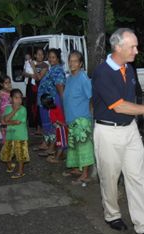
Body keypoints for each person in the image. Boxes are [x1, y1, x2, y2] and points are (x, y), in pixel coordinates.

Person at [92, 28, 144, 234]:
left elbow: (131, 100)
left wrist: (143, 115)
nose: (137, 50)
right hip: (108, 131)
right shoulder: (102, 72)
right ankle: (112, 214)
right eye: (133, 46)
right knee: (110, 178)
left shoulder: (130, 69)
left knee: (137, 177)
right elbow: (119, 106)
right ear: (118, 47)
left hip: (130, 130)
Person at [62, 51, 95, 184]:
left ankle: (85, 174)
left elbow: (91, 97)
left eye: (75, 61)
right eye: (70, 60)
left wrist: (90, 118)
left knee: (83, 147)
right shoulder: (69, 78)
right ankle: (77, 169)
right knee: (74, 146)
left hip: (82, 119)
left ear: (81, 64)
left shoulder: (83, 78)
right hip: (72, 119)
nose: (72, 63)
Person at [36, 48, 65, 157]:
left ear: (57, 58)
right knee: (48, 124)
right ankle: (48, 144)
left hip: (52, 102)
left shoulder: (57, 70)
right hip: (46, 102)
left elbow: (60, 86)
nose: (50, 59)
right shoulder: (52, 69)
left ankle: (52, 147)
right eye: (49, 57)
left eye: (53, 57)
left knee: (53, 124)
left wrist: (62, 102)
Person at [0, 89, 29, 179]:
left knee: (20, 155)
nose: (19, 100)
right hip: (10, 135)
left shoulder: (23, 109)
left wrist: (7, 121)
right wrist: (14, 111)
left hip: (20, 136)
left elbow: (17, 122)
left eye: (20, 98)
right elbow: (4, 121)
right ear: (11, 99)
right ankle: (10, 166)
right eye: (16, 98)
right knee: (6, 154)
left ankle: (20, 172)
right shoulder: (8, 108)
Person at [40, 93, 68, 164]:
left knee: (60, 144)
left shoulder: (51, 111)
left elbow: (57, 121)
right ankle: (58, 156)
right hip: (60, 129)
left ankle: (57, 158)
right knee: (59, 143)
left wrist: (65, 125)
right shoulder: (56, 107)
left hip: (61, 129)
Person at [26, 48, 49, 136]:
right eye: (38, 54)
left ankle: (40, 128)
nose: (40, 56)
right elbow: (24, 73)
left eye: (42, 54)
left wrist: (33, 67)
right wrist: (30, 74)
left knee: (40, 107)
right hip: (31, 88)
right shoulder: (31, 63)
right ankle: (36, 127)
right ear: (35, 55)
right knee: (32, 107)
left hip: (40, 88)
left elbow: (39, 77)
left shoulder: (45, 65)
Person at [0, 76, 12, 143]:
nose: (8, 84)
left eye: (9, 82)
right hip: (4, 115)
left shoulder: (12, 92)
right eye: (6, 83)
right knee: (5, 131)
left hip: (11, 114)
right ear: (2, 84)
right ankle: (6, 148)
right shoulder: (0, 92)